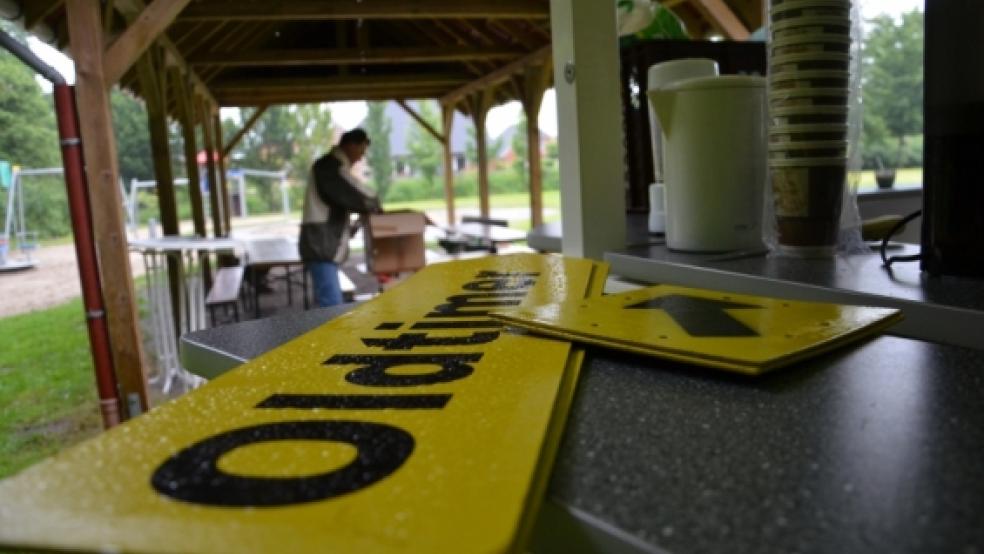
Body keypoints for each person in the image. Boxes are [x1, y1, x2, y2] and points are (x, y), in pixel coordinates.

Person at [299, 128, 380, 306]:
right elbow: (359, 195)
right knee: (332, 307)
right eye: (361, 150)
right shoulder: (329, 167)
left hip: (320, 246)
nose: (361, 157)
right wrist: (373, 203)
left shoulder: (330, 166)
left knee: (330, 303)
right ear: (351, 145)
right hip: (321, 247)